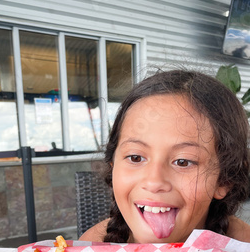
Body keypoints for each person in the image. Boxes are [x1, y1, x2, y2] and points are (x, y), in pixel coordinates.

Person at [80, 68, 250, 243]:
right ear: (113, 167)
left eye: (183, 162)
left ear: (225, 180)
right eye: (135, 158)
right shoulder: (89, 249)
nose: (154, 182)